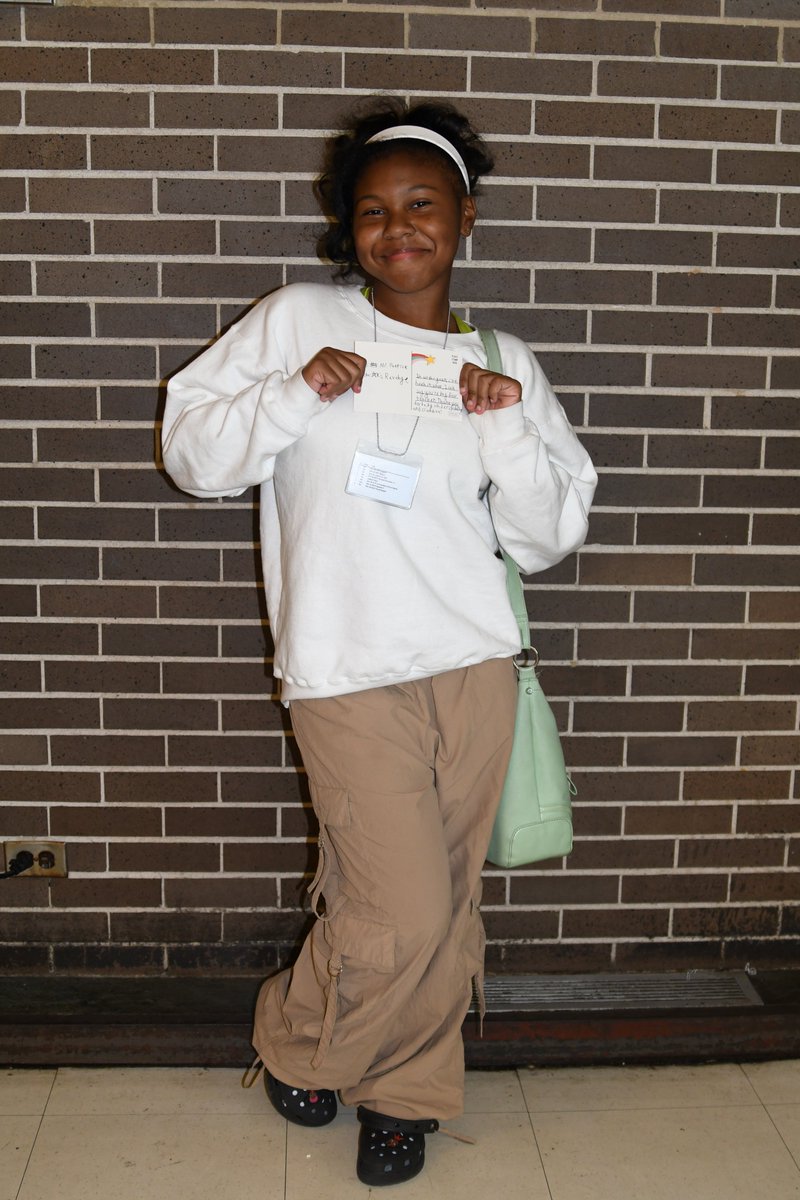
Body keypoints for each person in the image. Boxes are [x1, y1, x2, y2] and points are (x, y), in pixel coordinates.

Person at [161, 98, 596, 1188]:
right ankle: (303, 1039)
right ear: (346, 228)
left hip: (471, 667)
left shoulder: (502, 360)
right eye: (372, 209)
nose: (397, 228)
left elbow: (546, 539)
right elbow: (195, 456)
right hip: (345, 670)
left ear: (463, 217)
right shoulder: (300, 320)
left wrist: (499, 420)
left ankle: (402, 1095)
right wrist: (294, 391)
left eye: (420, 205)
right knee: (395, 906)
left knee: (441, 902)